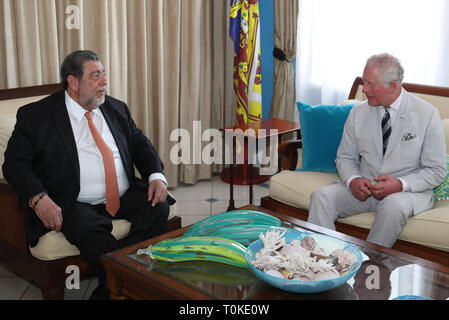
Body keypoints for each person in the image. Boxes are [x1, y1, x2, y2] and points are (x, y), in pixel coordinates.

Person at [2, 50, 175, 299]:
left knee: (158, 207)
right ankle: (130, 281)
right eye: (95, 76)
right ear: (73, 82)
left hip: (122, 195)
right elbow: (14, 164)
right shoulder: (36, 115)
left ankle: (113, 286)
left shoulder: (116, 108)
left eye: (104, 74)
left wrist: (156, 176)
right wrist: (38, 198)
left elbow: (140, 145)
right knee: (87, 228)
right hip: (72, 201)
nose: (104, 82)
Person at [308, 53, 446, 248]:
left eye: (370, 84)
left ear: (392, 86)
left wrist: (400, 184)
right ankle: (325, 262)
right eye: (364, 82)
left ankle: (369, 266)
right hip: (364, 190)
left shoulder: (427, 114)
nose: (364, 89)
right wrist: (353, 180)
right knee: (320, 197)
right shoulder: (358, 112)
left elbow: (437, 171)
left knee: (393, 206)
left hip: (407, 194)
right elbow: (345, 157)